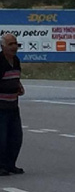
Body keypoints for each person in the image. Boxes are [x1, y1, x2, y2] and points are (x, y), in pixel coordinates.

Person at [0, 34, 24, 176]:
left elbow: (16, 78)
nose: (14, 47)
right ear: (3, 47)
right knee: (1, 139)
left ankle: (10, 165)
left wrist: (19, 87)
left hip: (13, 106)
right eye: (11, 44)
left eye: (16, 44)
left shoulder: (16, 60)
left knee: (16, 137)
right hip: (1, 107)